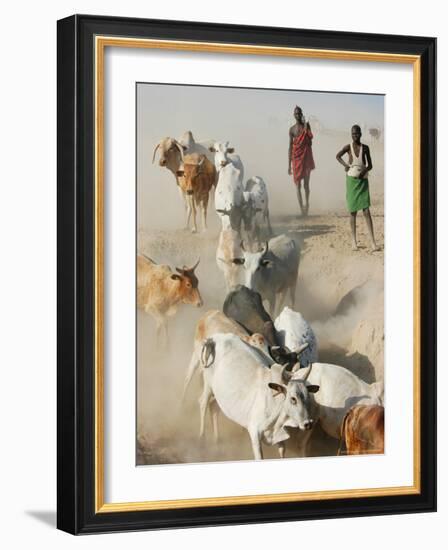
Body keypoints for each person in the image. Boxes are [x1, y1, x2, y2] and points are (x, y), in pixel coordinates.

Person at [336, 125, 379, 251]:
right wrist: (346, 165)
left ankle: (373, 242)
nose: (355, 135)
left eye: (357, 133)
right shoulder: (347, 147)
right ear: (351, 134)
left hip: (363, 180)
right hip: (351, 181)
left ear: (361, 134)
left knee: (366, 211)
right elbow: (338, 156)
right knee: (353, 212)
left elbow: (370, 165)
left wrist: (364, 170)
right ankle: (354, 242)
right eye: (353, 133)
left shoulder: (365, 148)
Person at [288, 106, 315, 216]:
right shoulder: (292, 129)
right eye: (296, 114)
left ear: (302, 114)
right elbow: (290, 147)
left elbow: (310, 141)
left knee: (306, 185)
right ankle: (301, 210)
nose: (298, 115)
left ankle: (307, 204)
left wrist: (305, 126)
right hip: (296, 159)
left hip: (306, 158)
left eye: (299, 113)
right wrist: (289, 165)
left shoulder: (306, 125)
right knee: (298, 185)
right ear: (294, 115)